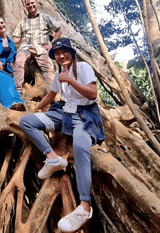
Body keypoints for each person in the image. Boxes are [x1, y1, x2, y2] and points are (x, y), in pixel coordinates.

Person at [19, 38, 104, 232]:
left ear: (72, 53)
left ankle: (84, 207)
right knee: (26, 122)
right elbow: (50, 96)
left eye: (64, 51)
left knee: (81, 144)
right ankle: (52, 158)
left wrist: (71, 81)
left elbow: (92, 94)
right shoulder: (58, 75)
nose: (61, 56)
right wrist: (35, 109)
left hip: (85, 115)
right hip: (63, 113)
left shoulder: (83, 68)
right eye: (57, 54)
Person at [12, 0, 62, 94]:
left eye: (32, 3)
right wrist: (4, 41)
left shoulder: (45, 17)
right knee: (18, 62)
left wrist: (51, 44)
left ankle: (54, 95)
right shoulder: (23, 21)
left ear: (37, 3)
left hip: (41, 48)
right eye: (28, 4)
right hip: (26, 47)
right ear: (26, 6)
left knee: (48, 69)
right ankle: (18, 91)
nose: (30, 5)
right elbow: (16, 39)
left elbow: (58, 31)